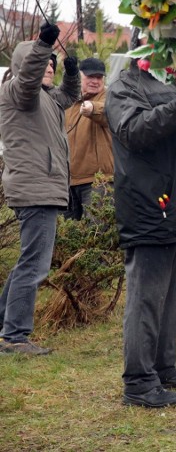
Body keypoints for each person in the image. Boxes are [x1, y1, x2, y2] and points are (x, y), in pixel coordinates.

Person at [106, 58, 176, 408]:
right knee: (147, 298)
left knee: (174, 296)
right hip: (151, 208)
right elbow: (135, 131)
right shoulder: (124, 87)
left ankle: (163, 366)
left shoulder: (174, 86)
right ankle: (139, 383)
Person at [0, 23, 79, 356]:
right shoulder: (19, 93)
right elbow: (29, 77)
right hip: (35, 188)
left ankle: (5, 326)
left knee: (28, 262)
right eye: (44, 61)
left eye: (52, 63)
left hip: (42, 187)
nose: (49, 66)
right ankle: (15, 337)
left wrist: (72, 72)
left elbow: (69, 95)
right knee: (34, 265)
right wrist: (44, 43)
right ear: (25, 64)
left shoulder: (47, 98)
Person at [64, 57, 113, 220]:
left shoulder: (110, 97)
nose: (95, 81)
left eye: (99, 77)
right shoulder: (68, 100)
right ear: (79, 76)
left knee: (96, 235)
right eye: (90, 76)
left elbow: (109, 112)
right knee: (67, 239)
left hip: (99, 182)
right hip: (68, 183)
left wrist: (92, 108)